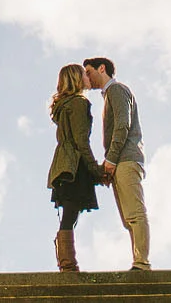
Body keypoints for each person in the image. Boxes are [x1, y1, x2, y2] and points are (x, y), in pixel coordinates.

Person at [83, 56, 150, 270]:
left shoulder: (117, 90)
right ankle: (138, 262)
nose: (87, 77)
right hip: (121, 160)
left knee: (134, 213)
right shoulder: (109, 95)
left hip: (126, 159)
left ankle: (141, 263)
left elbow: (123, 125)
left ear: (102, 68)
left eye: (89, 71)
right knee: (127, 218)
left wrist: (110, 161)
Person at [45, 62, 100, 271]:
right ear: (77, 79)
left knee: (70, 212)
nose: (88, 78)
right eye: (84, 75)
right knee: (70, 214)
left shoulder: (63, 104)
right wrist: (96, 170)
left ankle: (66, 262)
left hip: (61, 164)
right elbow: (81, 142)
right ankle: (67, 264)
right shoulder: (78, 103)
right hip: (74, 165)